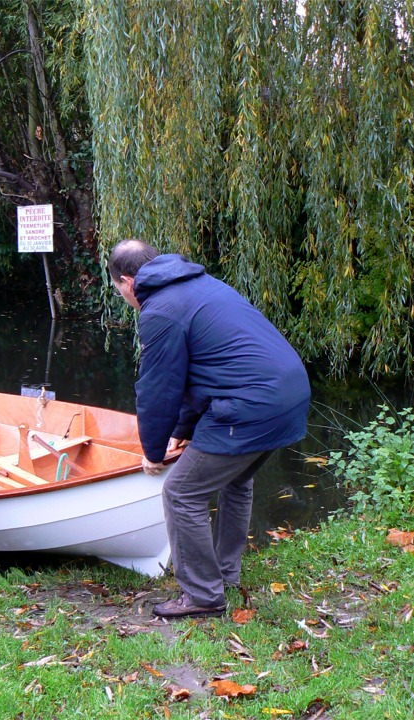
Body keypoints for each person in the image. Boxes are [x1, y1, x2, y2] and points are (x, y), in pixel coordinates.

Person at [108, 239, 310, 619]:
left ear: (128, 282)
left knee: (181, 492)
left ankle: (202, 595)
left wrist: (153, 453)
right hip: (290, 395)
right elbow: (198, 374)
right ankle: (224, 574)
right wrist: (185, 428)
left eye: (120, 291)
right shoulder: (201, 284)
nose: (125, 299)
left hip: (252, 406)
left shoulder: (160, 311)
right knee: (237, 480)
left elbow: (159, 388)